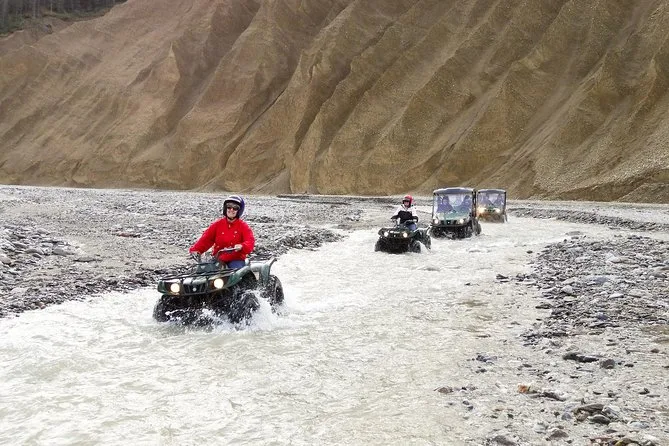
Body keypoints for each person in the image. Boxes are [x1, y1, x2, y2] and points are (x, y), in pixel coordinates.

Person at [189, 195, 255, 269]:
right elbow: (206, 239)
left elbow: (250, 241)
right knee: (204, 270)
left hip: (236, 259)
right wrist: (196, 250)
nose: (231, 209)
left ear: (239, 211)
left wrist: (242, 246)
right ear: (225, 208)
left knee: (237, 273)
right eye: (229, 207)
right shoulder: (217, 224)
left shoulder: (243, 226)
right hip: (219, 259)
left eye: (235, 208)